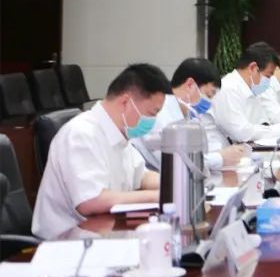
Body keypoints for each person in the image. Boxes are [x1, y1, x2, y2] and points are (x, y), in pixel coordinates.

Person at [32, 64, 170, 239]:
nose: (153, 121)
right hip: (68, 243)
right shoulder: (81, 134)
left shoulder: (119, 134)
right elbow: (91, 201)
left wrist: (173, 185)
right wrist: (157, 196)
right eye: (152, 113)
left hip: (104, 233)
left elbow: (142, 176)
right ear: (125, 102)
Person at [134, 58, 248, 171]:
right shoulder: (160, 112)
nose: (210, 102)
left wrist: (223, 154)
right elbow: (176, 163)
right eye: (208, 95)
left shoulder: (188, 115)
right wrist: (220, 157)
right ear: (189, 85)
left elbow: (198, 153)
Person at [210, 42, 280, 146]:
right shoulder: (228, 89)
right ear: (252, 68)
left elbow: (262, 123)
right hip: (225, 151)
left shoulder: (251, 90)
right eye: (267, 76)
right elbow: (241, 132)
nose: (268, 82)